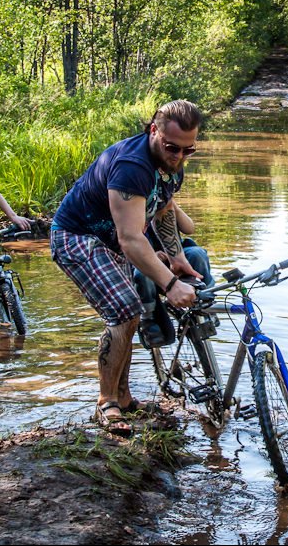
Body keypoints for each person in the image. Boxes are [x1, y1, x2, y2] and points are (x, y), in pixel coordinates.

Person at [50, 100, 202, 436]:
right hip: (78, 237)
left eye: (187, 150)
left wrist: (176, 257)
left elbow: (161, 212)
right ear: (153, 131)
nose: (178, 157)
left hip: (111, 242)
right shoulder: (132, 166)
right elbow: (131, 239)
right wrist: (170, 285)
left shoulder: (172, 165)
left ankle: (125, 398)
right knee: (124, 311)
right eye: (171, 148)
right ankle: (106, 404)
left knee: (130, 316)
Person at [134, 204, 214, 348]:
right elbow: (127, 242)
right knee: (141, 273)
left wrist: (173, 206)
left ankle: (207, 302)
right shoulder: (130, 211)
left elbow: (189, 229)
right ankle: (148, 320)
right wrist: (151, 256)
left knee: (197, 254)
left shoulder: (163, 201)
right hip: (147, 264)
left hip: (178, 259)